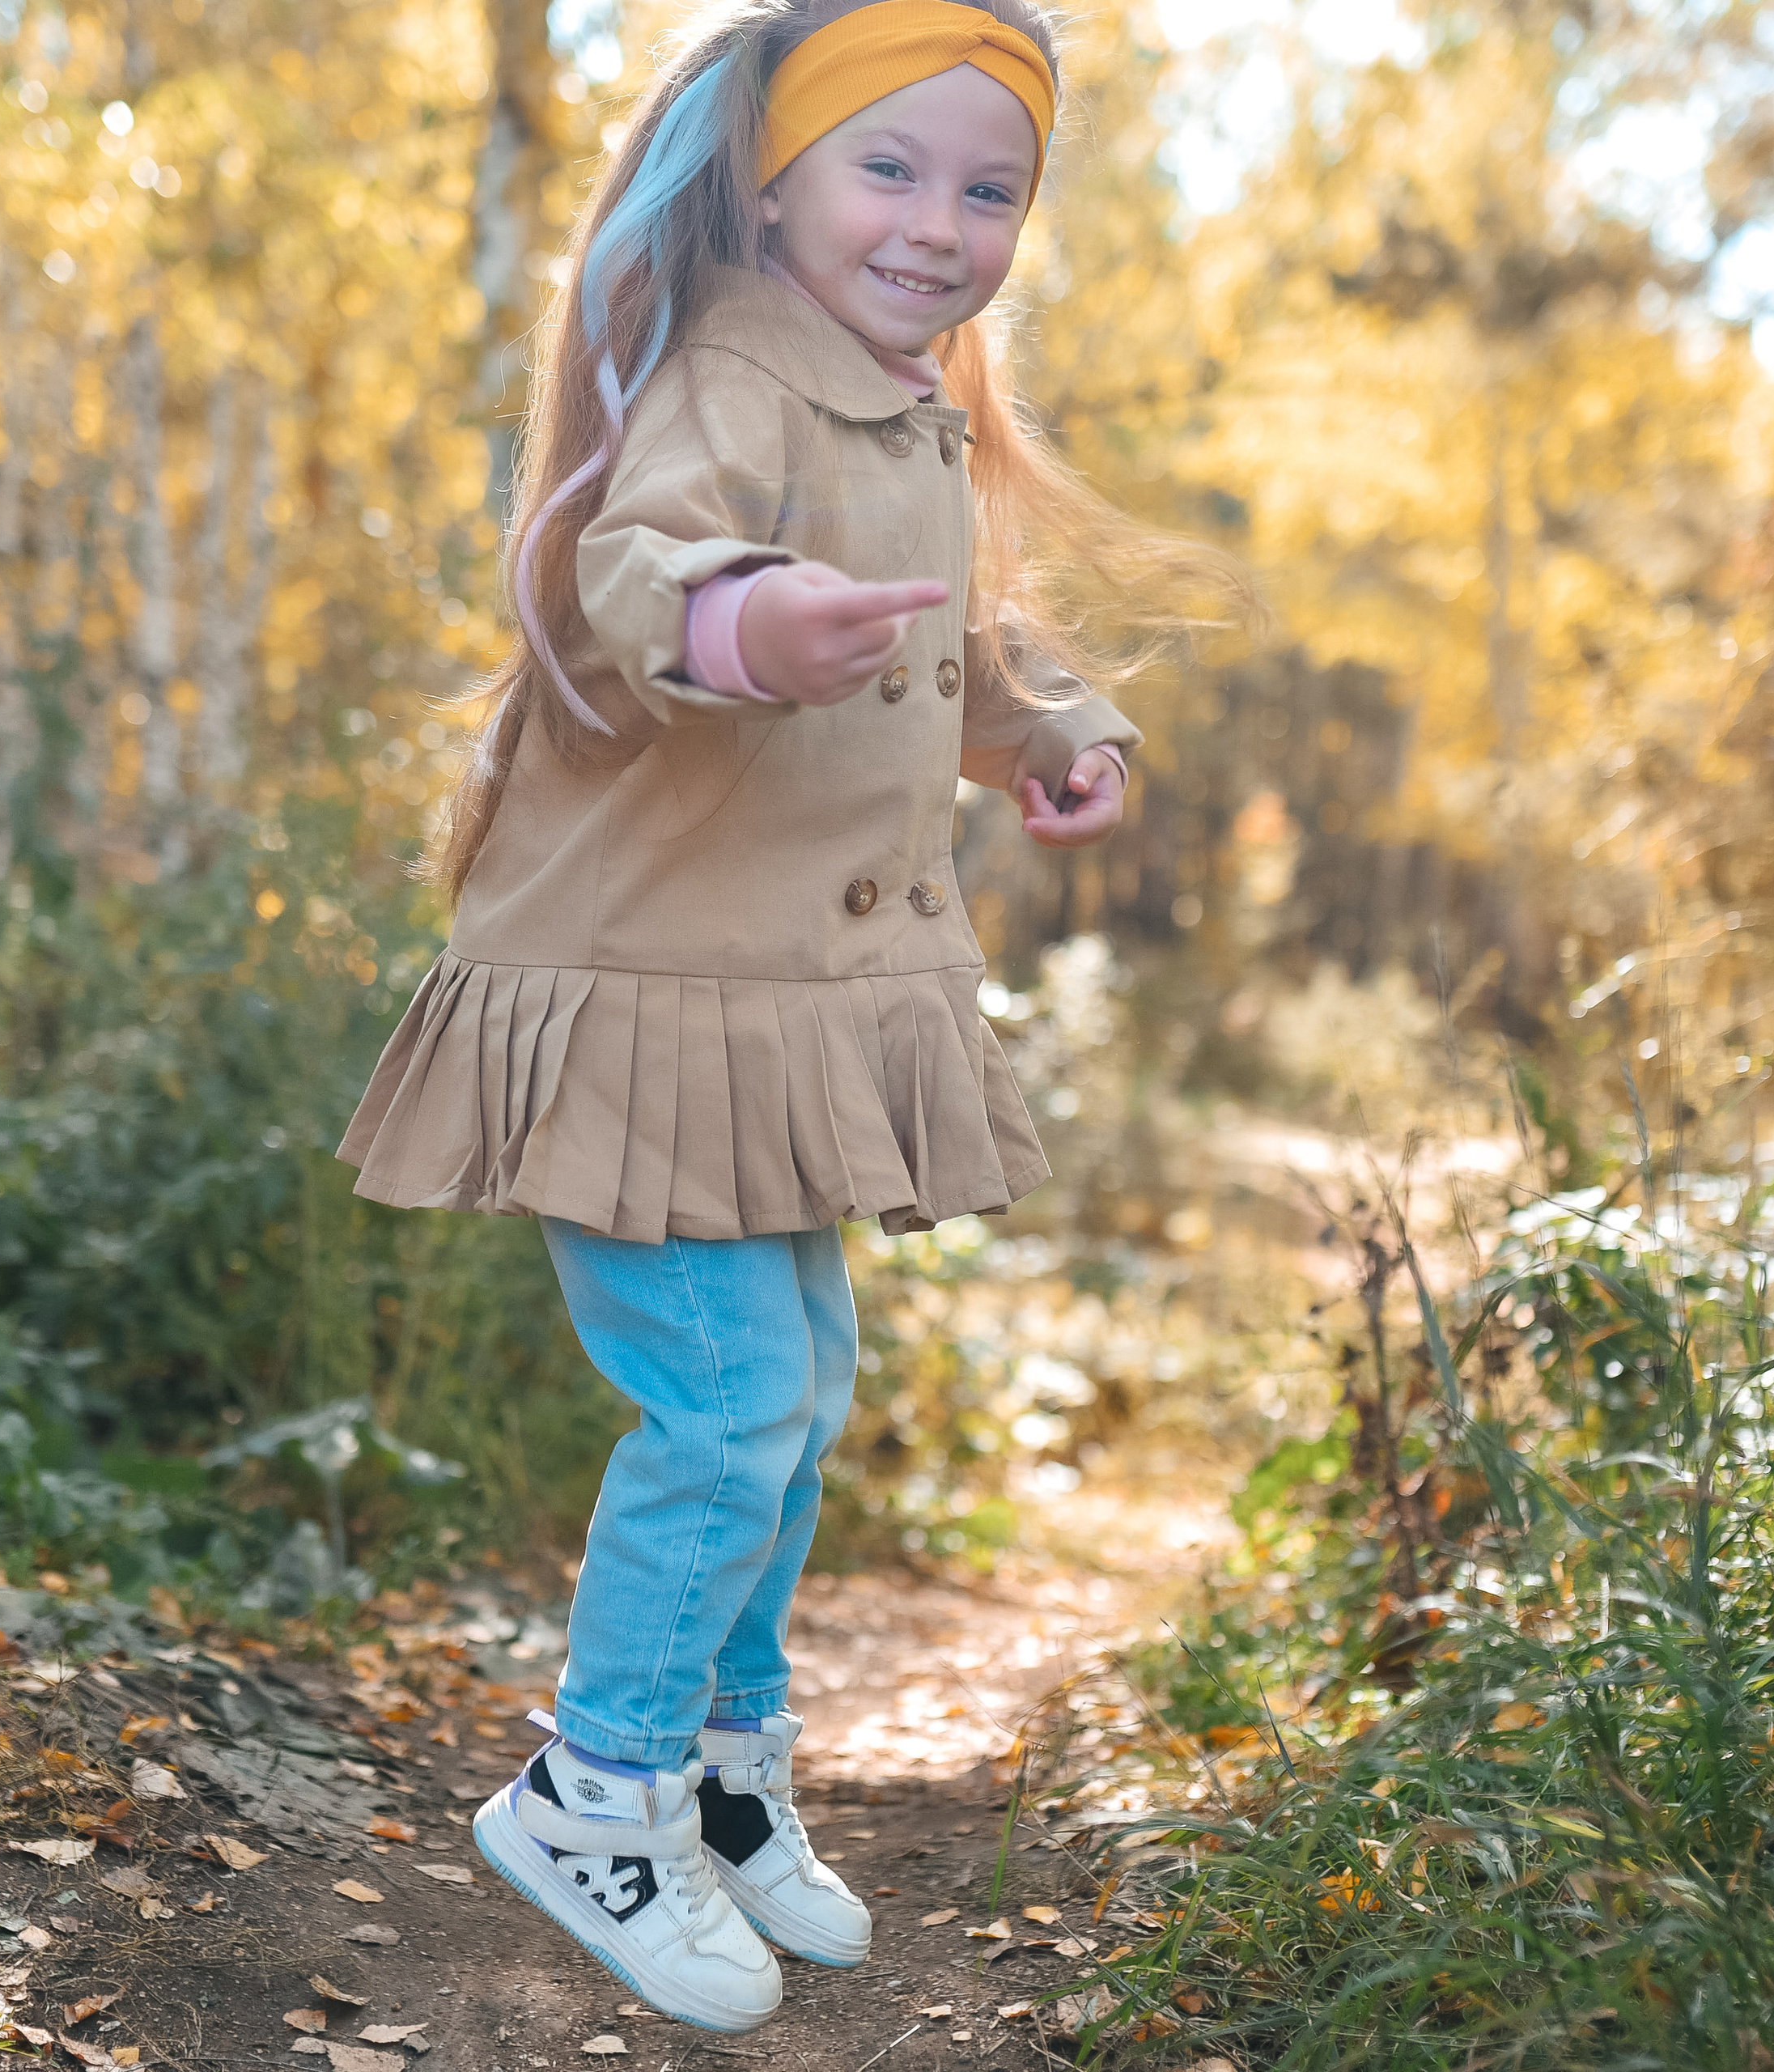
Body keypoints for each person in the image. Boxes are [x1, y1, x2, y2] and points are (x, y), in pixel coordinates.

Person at [337, 0, 1250, 2033]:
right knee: (727, 1398)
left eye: (988, 188)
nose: (938, 222)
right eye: (887, 167)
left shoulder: (903, 408)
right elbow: (632, 566)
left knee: (799, 1388)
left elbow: (946, 646)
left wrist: (1057, 732)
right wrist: (745, 617)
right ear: (768, 184)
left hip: (765, 1011)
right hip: (642, 1002)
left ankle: (721, 1768)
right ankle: (592, 1792)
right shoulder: (733, 372)